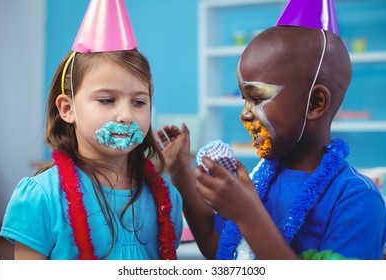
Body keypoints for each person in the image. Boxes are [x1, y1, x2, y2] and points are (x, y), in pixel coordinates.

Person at [158, 0, 386, 260]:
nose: (244, 113)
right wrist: (179, 171)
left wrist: (248, 214)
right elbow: (217, 249)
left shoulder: (356, 198)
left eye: (256, 99)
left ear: (315, 103)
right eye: (243, 99)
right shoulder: (258, 180)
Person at [0, 0, 182, 260]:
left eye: (139, 102)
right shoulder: (41, 197)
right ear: (67, 109)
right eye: (107, 100)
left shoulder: (166, 196)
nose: (126, 115)